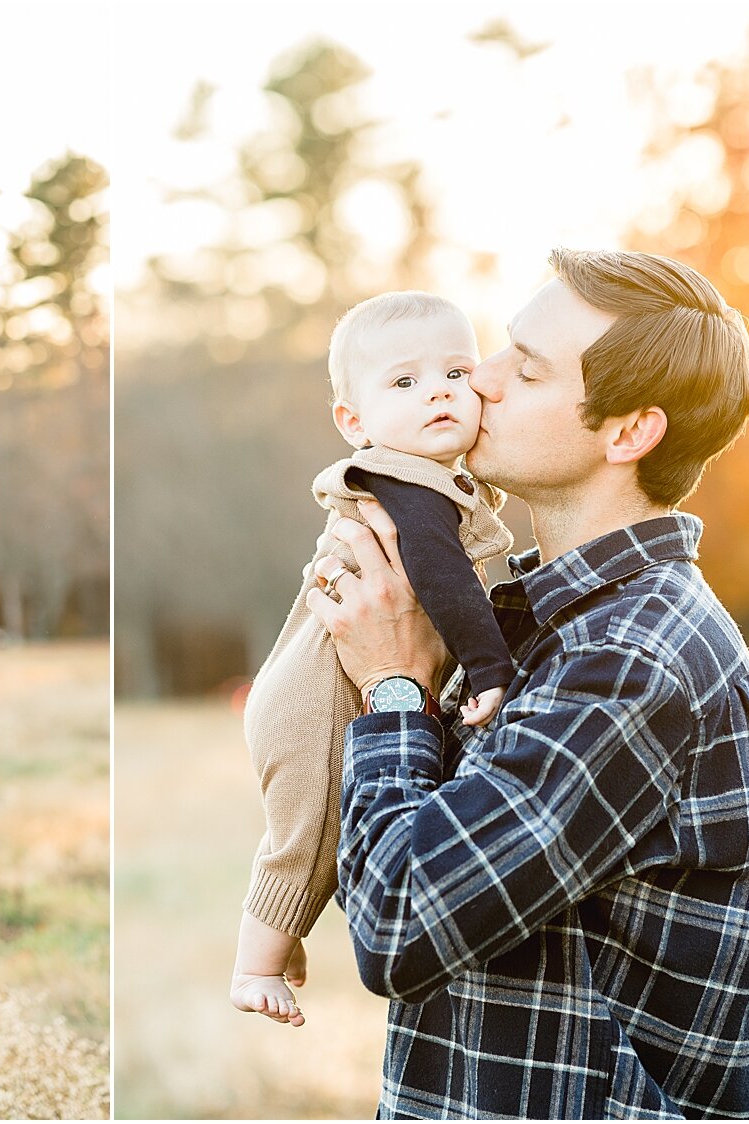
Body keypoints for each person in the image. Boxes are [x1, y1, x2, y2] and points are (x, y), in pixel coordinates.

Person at [307, 248, 749, 1118]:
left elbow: (400, 925)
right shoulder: (521, 614)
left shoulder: (634, 660)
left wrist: (396, 686)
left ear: (628, 432)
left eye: (523, 368)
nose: (476, 381)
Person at [231, 292, 516, 1028]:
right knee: (306, 833)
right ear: (353, 422)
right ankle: (253, 965)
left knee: (314, 829)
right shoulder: (407, 488)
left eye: (457, 370)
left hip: (313, 677)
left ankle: (282, 937)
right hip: (313, 695)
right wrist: (491, 667)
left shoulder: (430, 481)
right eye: (404, 383)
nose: (439, 392)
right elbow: (444, 583)